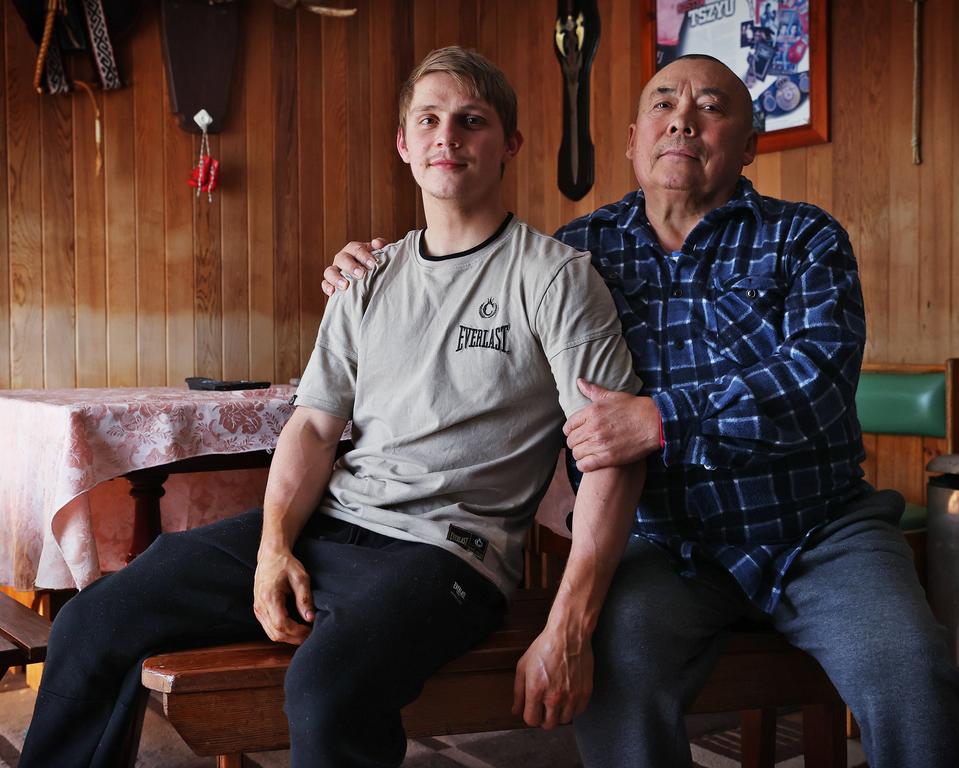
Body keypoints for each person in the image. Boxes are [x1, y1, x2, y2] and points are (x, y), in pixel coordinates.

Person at [324, 54, 959, 768]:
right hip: (663, 545)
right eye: (664, 103)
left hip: (818, 531)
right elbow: (471, 349)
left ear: (747, 143)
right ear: (635, 137)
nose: (683, 118)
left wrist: (663, 418)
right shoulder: (576, 254)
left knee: (917, 681)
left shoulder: (806, 238)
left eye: (710, 106)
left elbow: (817, 384)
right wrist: (380, 270)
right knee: (616, 678)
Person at [20, 46, 645, 768]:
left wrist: (568, 629)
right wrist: (274, 547)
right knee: (93, 621)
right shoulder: (368, 278)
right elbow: (314, 428)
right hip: (332, 526)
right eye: (430, 119)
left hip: (448, 556)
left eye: (471, 121)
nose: (448, 136)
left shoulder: (556, 278)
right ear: (404, 144)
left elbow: (612, 457)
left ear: (509, 144)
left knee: (326, 685)